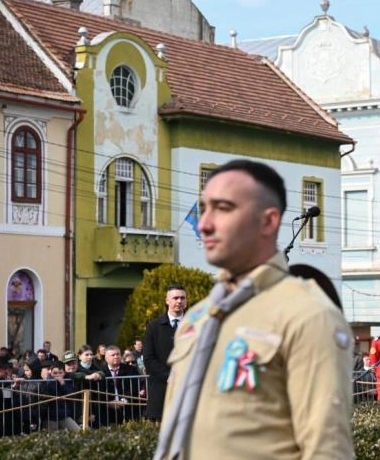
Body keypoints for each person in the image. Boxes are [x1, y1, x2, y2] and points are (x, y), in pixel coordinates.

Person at [155, 159, 354, 460]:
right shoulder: (198, 317)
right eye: (204, 208)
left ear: (268, 221)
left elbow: (326, 450)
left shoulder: (308, 315)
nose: (205, 223)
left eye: (223, 208)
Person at [143, 284, 187, 421]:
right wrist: (169, 376)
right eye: (175, 298)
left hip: (188, 390)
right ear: (167, 300)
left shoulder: (195, 324)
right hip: (161, 391)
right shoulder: (154, 326)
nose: (179, 301)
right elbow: (149, 359)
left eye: (182, 298)